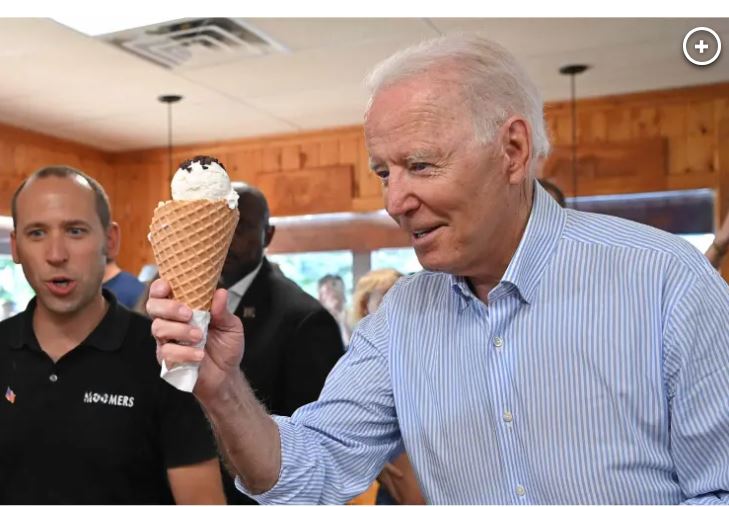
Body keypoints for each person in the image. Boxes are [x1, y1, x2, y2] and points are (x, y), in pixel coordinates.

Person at [148, 34, 729, 504]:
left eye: (421, 165)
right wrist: (222, 389)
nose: (394, 201)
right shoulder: (404, 314)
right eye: (383, 172)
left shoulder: (664, 282)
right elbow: (311, 471)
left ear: (513, 151)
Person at [0, 166, 225, 504]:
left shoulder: (167, 358)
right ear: (15, 247)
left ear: (110, 240)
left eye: (75, 231)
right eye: (36, 233)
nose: (56, 254)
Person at [218, 185, 345, 504]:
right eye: (218, 225)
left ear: (268, 234)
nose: (226, 237)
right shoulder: (183, 302)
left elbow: (316, 444)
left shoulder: (303, 318)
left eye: (241, 226)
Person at [349, 268, 425, 506]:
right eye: (384, 298)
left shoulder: (422, 347)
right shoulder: (356, 359)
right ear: (364, 305)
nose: (395, 305)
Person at [318, 274, 351, 348]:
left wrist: (343, 323)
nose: (333, 292)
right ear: (320, 298)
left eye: (335, 287)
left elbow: (351, 349)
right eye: (328, 292)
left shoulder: (357, 319)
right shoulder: (316, 322)